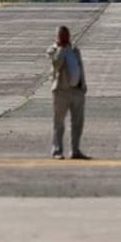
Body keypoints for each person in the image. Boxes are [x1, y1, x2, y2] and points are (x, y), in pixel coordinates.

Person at [46, 25, 90, 160]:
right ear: (58, 36)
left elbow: (79, 66)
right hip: (61, 91)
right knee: (59, 123)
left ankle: (75, 150)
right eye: (62, 35)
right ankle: (57, 151)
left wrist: (83, 86)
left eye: (67, 34)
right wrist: (61, 48)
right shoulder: (53, 50)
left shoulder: (75, 50)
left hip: (77, 91)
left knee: (77, 123)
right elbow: (56, 65)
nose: (65, 37)